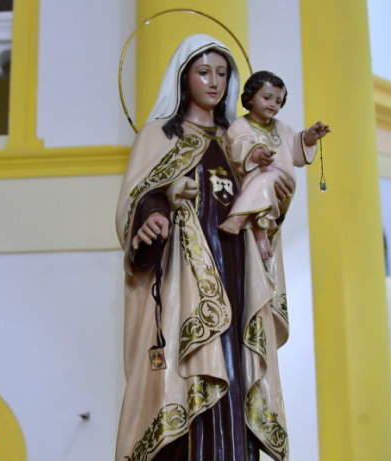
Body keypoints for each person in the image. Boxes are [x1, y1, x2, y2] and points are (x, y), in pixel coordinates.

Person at [115, 35, 292, 461]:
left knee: (234, 366)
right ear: (183, 78)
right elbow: (139, 196)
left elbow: (259, 203)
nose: (214, 82)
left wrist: (277, 201)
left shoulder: (240, 138)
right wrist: (155, 211)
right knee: (187, 373)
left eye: (222, 72)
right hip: (185, 281)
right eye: (203, 71)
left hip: (236, 272)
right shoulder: (159, 135)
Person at [218, 71, 330, 259]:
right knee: (265, 177)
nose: (273, 105)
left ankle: (238, 218)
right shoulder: (240, 125)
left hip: (282, 186)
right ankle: (256, 231)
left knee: (269, 176)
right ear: (250, 98)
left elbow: (296, 148)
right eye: (267, 98)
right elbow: (240, 145)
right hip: (255, 185)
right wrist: (258, 154)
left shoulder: (281, 127)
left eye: (278, 101)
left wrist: (309, 137)